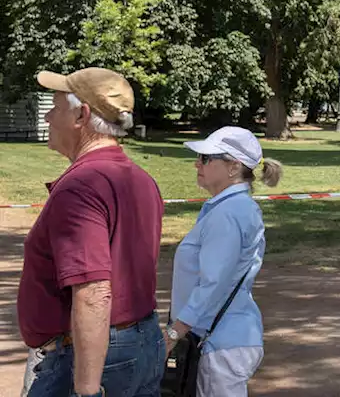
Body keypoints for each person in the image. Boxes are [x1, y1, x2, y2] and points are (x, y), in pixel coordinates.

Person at [19, 68, 166, 397]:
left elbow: (94, 292)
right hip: (142, 342)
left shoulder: (80, 186)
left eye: (55, 107)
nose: (47, 116)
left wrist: (86, 389)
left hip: (93, 358)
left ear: (81, 115)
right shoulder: (139, 178)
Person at [166, 126, 283, 396]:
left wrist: (173, 335)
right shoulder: (231, 208)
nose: (197, 163)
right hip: (223, 338)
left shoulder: (229, 212)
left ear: (233, 167)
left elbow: (213, 283)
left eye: (206, 158)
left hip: (221, 343)